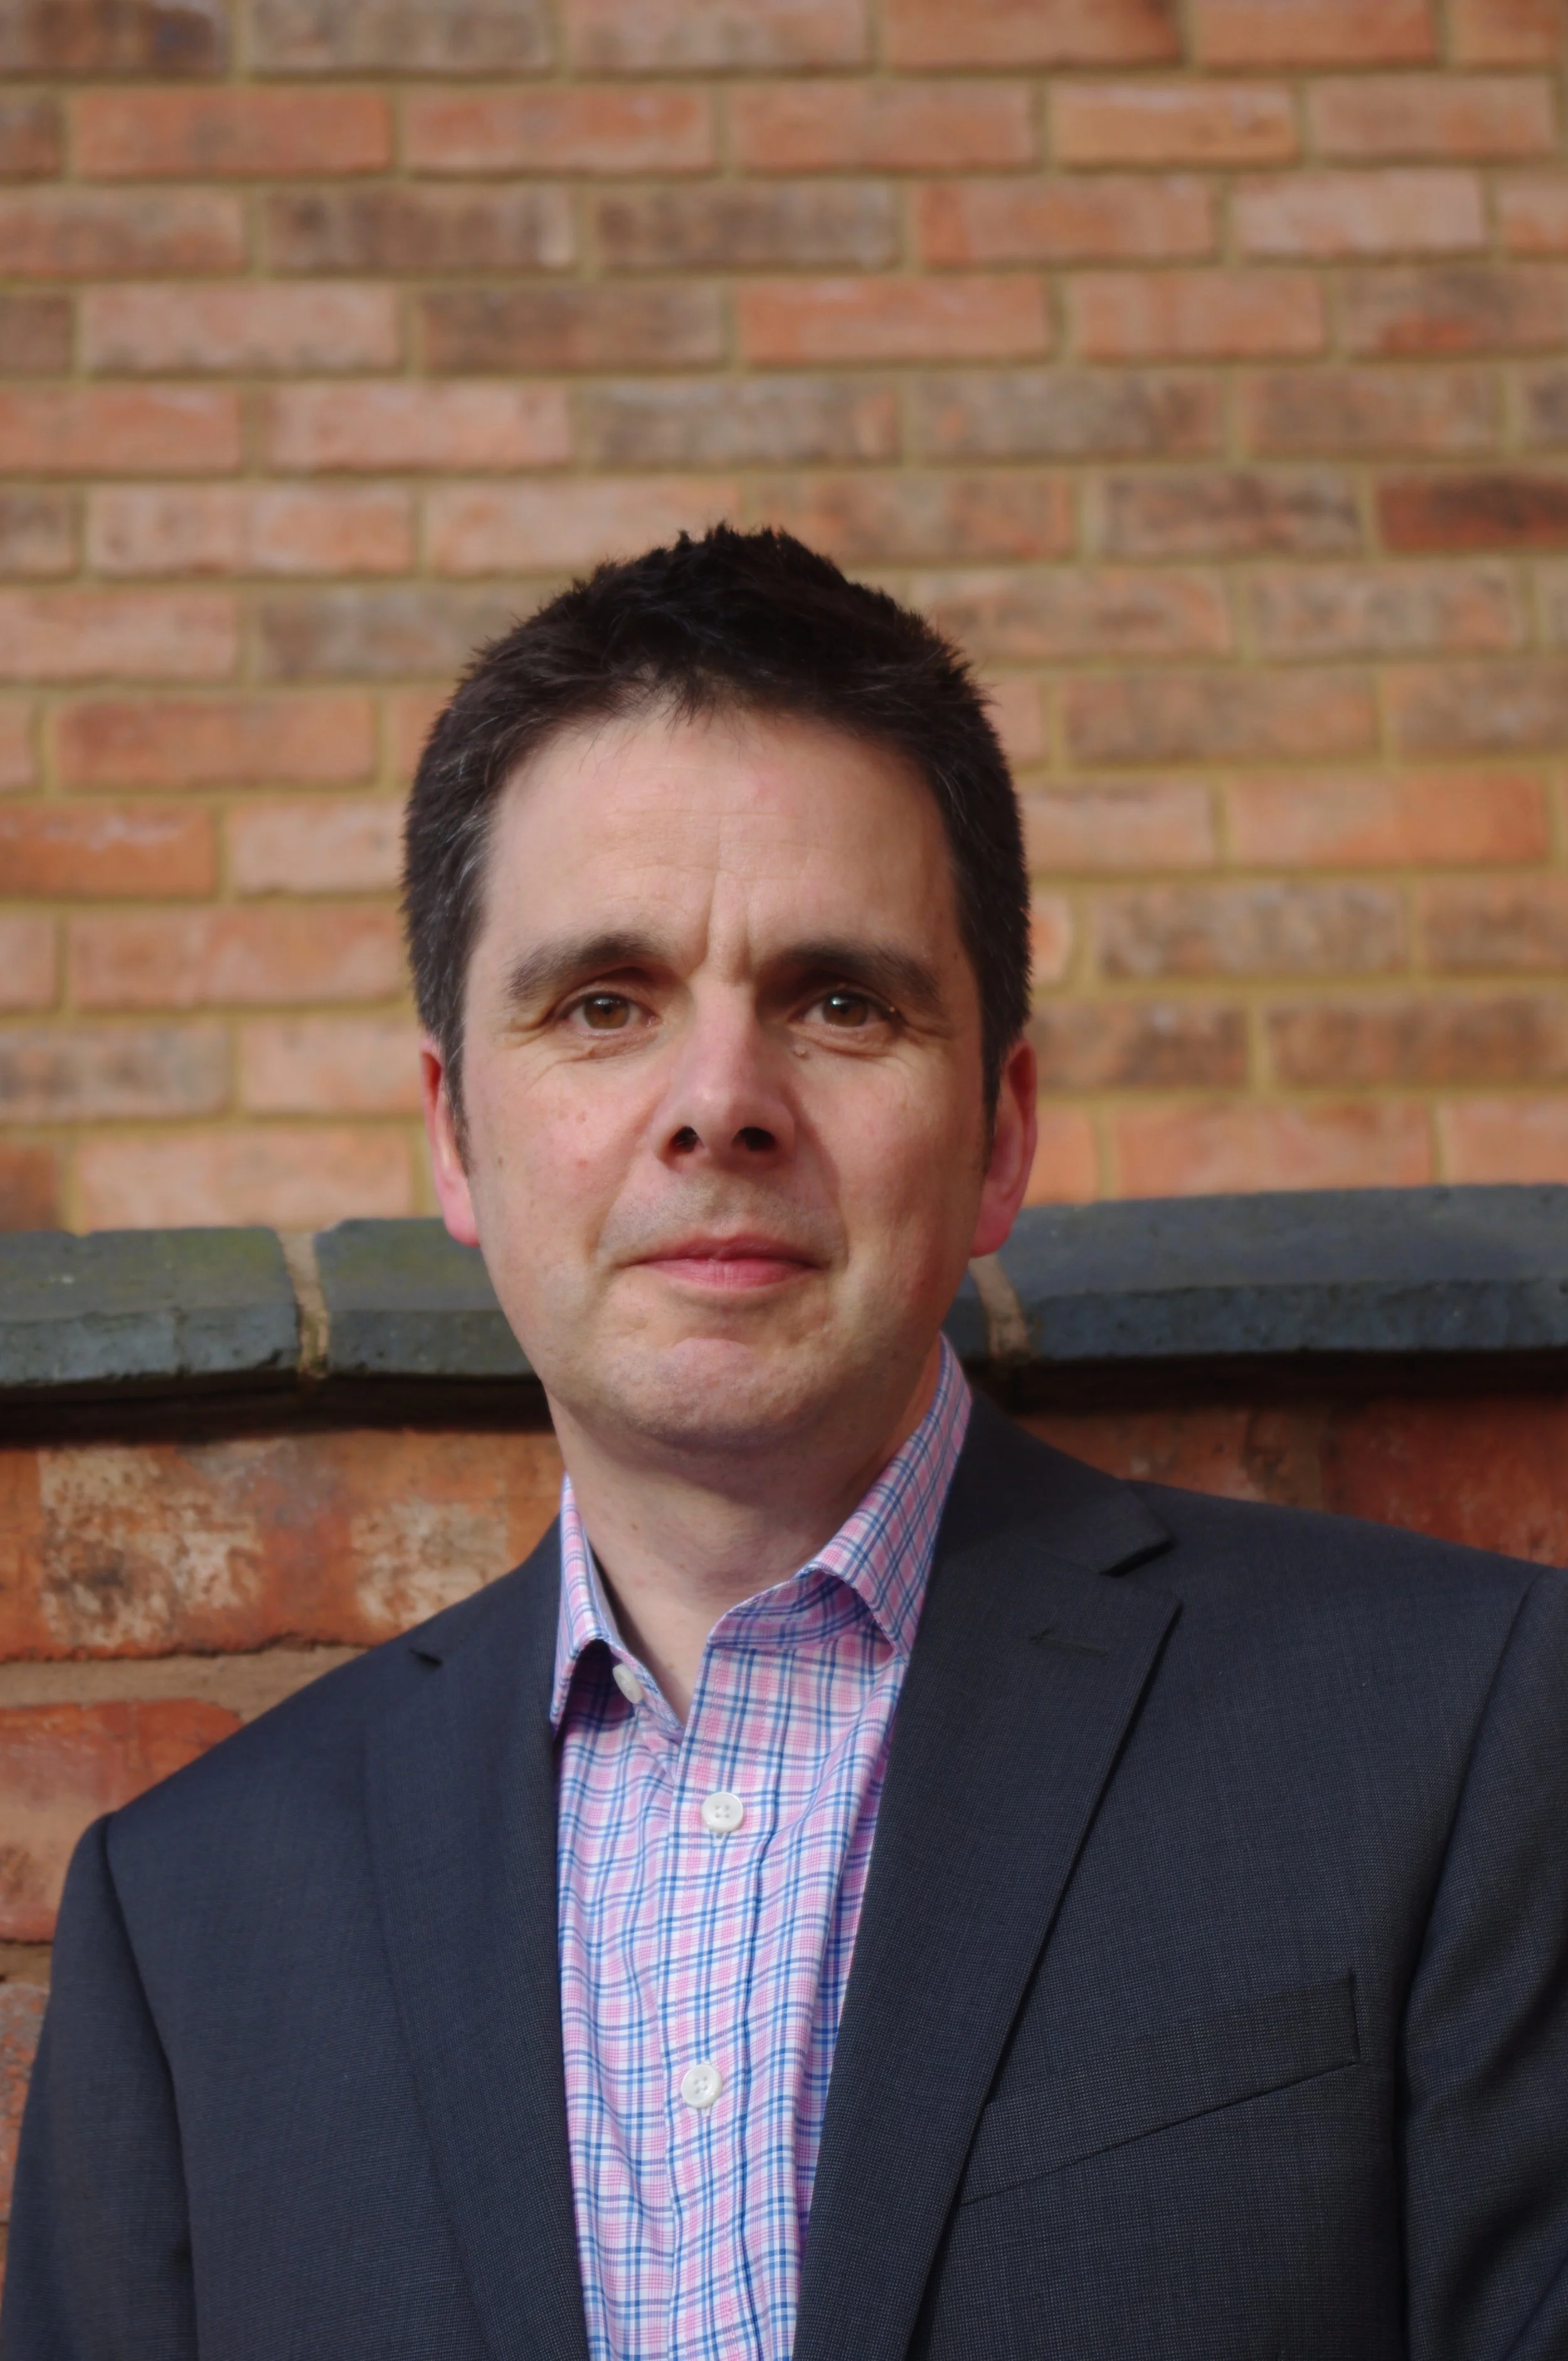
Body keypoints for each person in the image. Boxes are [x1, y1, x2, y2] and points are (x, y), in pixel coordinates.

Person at [6, 527, 1567, 2361]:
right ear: (454, 1134)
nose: (719, 1104)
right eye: (603, 1002)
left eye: (838, 999)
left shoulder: (1450, 1729)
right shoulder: (192, 1927)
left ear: (997, 1130)